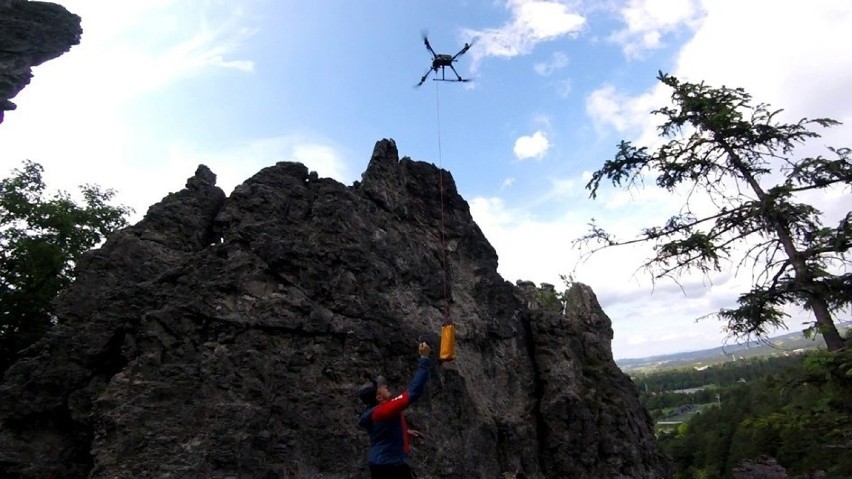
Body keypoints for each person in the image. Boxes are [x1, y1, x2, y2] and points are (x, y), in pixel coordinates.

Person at [357, 342, 431, 479]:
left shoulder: (375, 411)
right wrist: (424, 358)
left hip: (381, 463)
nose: (385, 386)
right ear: (378, 396)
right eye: (382, 387)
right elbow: (414, 391)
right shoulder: (384, 410)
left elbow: (384, 431)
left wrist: (404, 431)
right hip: (390, 466)